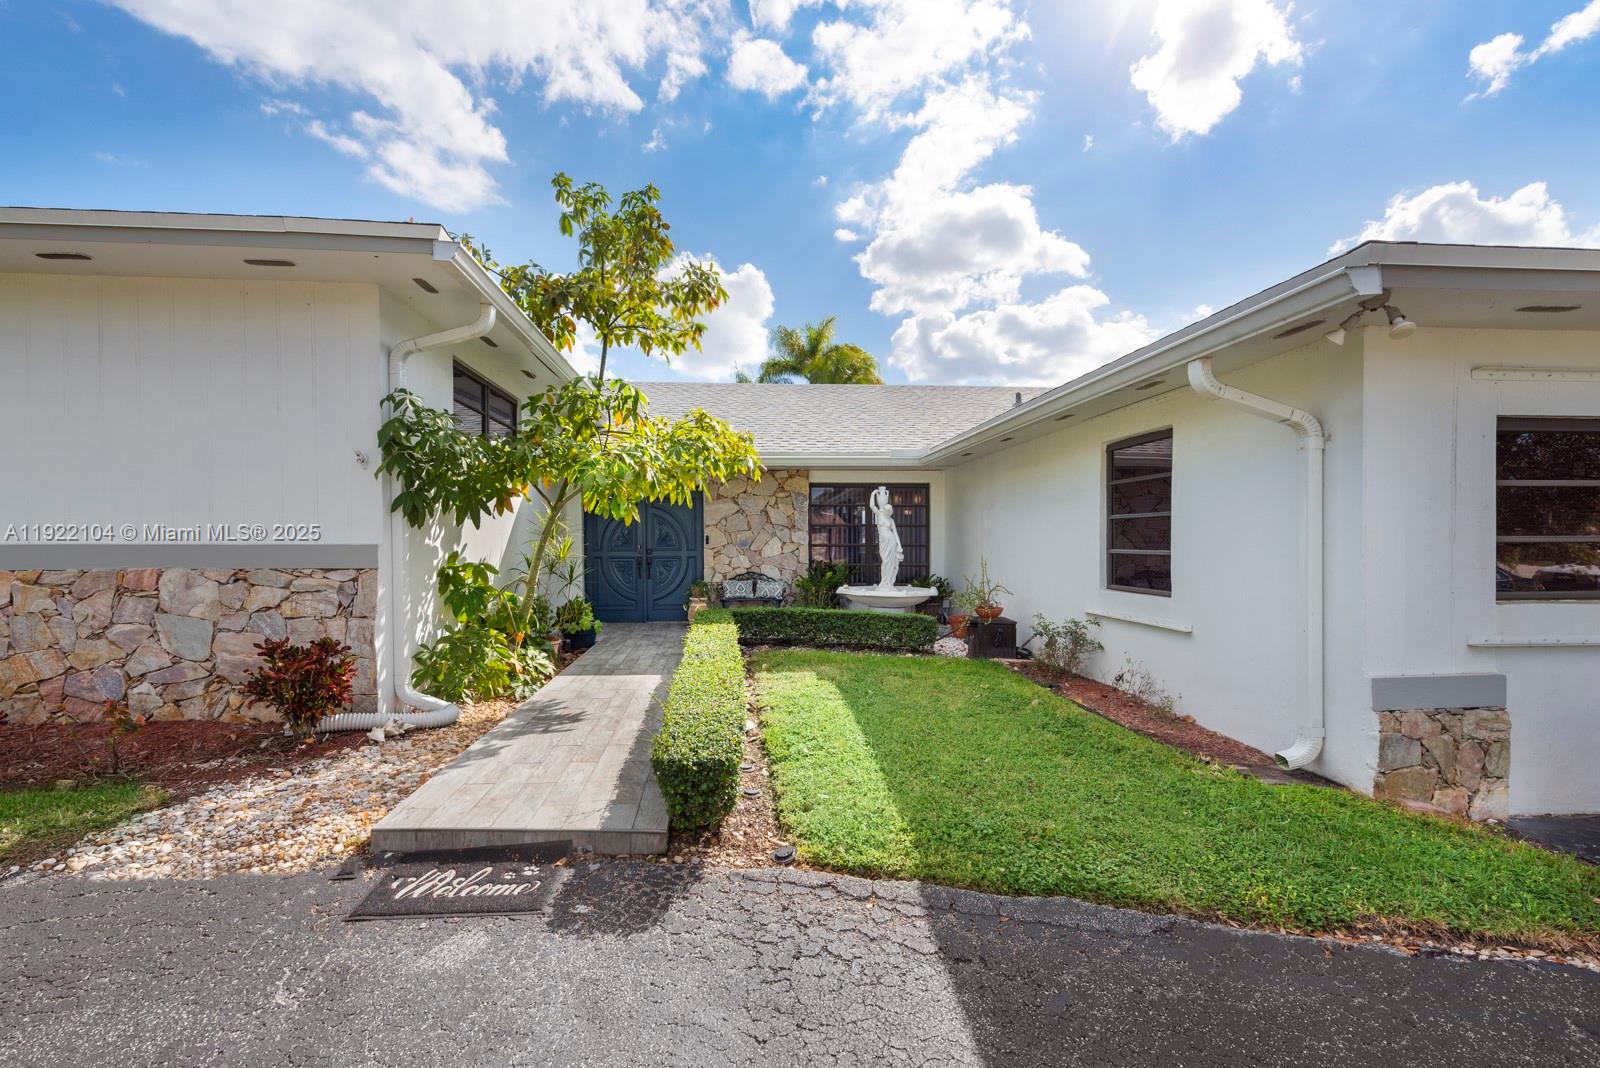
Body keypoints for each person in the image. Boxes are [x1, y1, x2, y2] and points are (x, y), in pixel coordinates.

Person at [869, 485, 903, 589]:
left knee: (891, 562)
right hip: (883, 542)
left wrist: (899, 546)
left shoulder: (891, 520)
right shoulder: (879, 514)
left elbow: (895, 533)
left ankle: (889, 582)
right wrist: (873, 494)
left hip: (891, 541)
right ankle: (884, 582)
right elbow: (872, 506)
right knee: (885, 561)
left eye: (890, 511)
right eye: (888, 510)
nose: (889, 512)